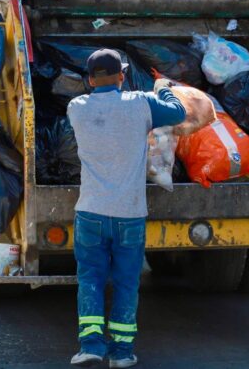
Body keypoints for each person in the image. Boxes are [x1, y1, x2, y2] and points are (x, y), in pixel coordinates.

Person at [67, 48, 186, 368]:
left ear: (90, 80)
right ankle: (122, 352)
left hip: (90, 211)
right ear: (122, 76)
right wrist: (162, 89)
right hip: (130, 214)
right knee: (126, 282)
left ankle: (91, 345)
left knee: (90, 278)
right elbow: (177, 113)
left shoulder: (75, 108)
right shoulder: (140, 104)